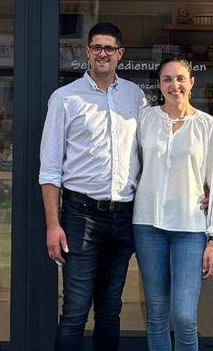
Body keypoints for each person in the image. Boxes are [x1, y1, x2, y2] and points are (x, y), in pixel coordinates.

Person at [39, 22, 145, 351]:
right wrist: (53, 225)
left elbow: (151, 153)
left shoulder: (135, 96)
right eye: (97, 47)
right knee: (74, 312)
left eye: (109, 48)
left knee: (111, 312)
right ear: (87, 52)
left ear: (120, 54)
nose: (103, 54)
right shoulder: (65, 98)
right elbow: (50, 168)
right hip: (80, 216)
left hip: (125, 216)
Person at [132, 58, 213, 351]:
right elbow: (129, 165)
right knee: (156, 314)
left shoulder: (207, 126)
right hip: (147, 226)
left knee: (184, 316)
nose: (173, 85)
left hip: (190, 228)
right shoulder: (146, 120)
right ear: (159, 85)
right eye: (166, 79)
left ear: (191, 83)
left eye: (180, 79)